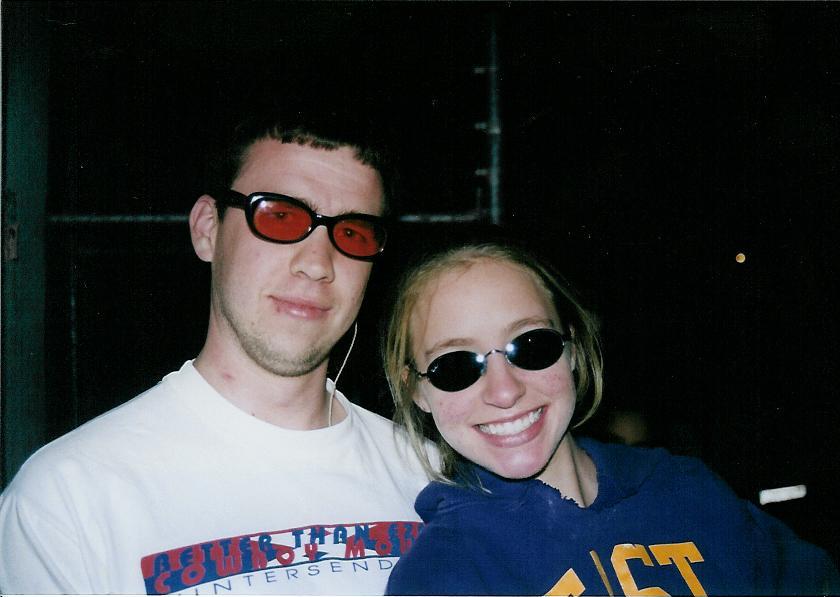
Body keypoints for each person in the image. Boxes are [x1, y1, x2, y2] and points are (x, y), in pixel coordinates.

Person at [0, 109, 434, 595]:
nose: (317, 264)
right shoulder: (66, 501)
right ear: (208, 229)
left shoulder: (432, 478)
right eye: (280, 216)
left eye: (352, 233)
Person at [381, 241, 840, 596]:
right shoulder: (444, 574)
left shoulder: (687, 489)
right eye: (455, 367)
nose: (505, 391)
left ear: (573, 349)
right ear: (416, 389)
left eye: (532, 345)